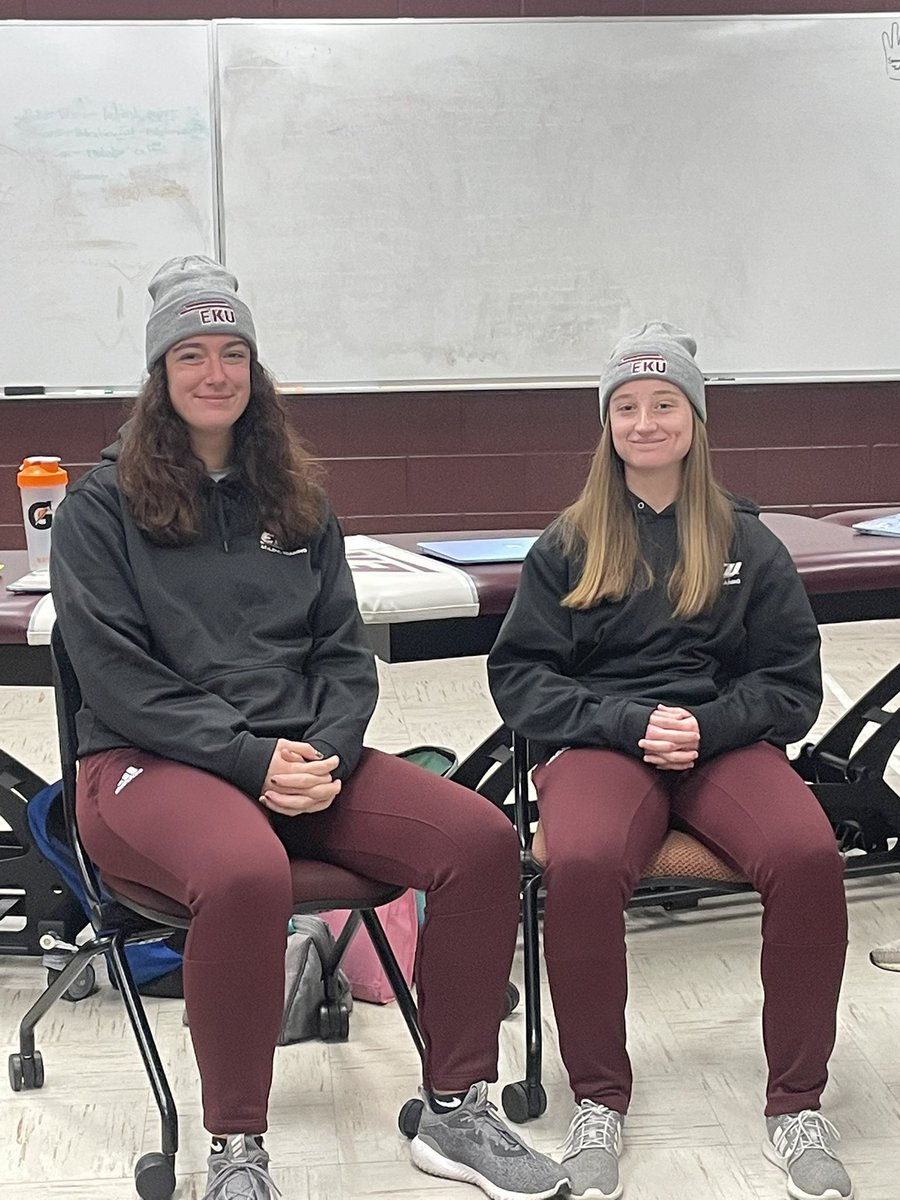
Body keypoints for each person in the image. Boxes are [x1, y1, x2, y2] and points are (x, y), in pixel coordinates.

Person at [49, 256, 570, 1200]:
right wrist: (250, 762)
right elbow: (119, 680)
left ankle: (456, 1112)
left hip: (300, 756)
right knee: (246, 871)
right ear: (160, 375)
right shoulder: (100, 508)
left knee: (481, 838)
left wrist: (325, 750)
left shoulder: (298, 498)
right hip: (145, 764)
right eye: (193, 355)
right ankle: (236, 1151)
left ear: (257, 369)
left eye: (235, 352)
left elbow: (342, 653)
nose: (217, 373)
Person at [487, 323, 852, 1200]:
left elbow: (793, 685)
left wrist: (714, 723)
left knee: (808, 856)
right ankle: (599, 1102)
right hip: (605, 742)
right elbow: (520, 677)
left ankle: (795, 1104)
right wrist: (620, 719)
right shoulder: (569, 542)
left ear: (694, 419)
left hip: (721, 742)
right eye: (626, 408)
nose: (645, 422)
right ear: (606, 426)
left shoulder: (747, 543)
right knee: (578, 860)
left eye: (664, 405)